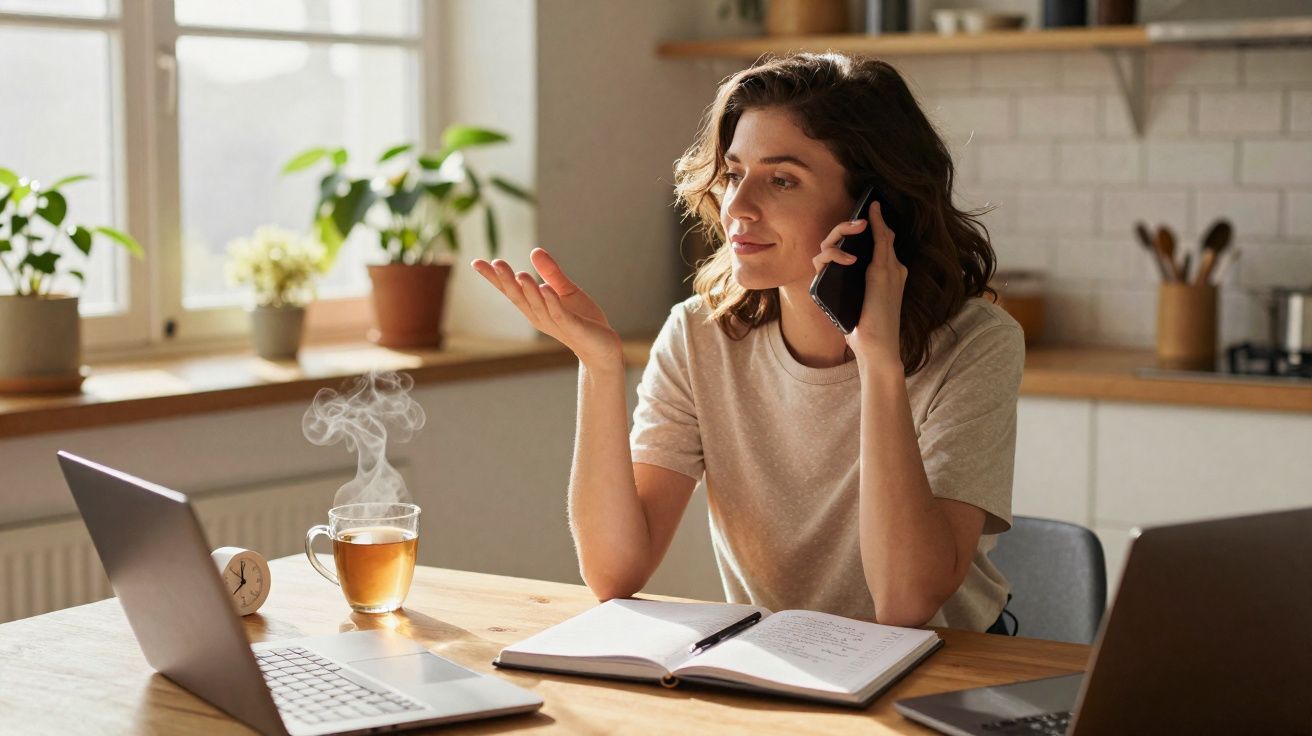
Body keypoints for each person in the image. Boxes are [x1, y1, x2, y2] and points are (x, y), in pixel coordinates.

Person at [471, 52, 1023, 633]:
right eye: (735, 174)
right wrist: (599, 366)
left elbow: (906, 605)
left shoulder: (976, 346)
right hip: (785, 669)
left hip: (948, 671)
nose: (735, 206)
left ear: (873, 209)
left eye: (782, 179)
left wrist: (879, 364)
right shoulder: (696, 336)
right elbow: (614, 573)